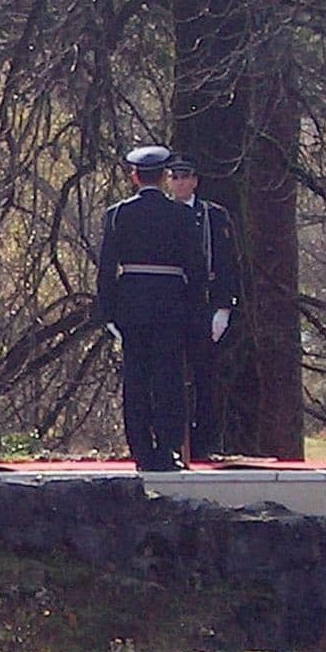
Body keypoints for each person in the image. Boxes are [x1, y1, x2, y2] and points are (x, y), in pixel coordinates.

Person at [98, 145, 208, 471]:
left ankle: (141, 450)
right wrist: (194, 309)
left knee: (136, 380)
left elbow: (106, 270)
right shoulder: (183, 216)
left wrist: (109, 312)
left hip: (132, 305)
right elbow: (197, 270)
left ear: (135, 177)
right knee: (168, 379)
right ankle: (168, 448)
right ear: (163, 177)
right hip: (170, 305)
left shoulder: (117, 214)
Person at [165, 154, 239, 461]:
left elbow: (226, 263)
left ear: (195, 181)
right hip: (170, 302)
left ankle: (205, 442)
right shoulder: (161, 214)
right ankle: (171, 441)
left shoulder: (213, 216)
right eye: (175, 177)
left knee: (205, 377)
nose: (180, 183)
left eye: (186, 177)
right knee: (167, 375)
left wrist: (224, 307)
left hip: (204, 304)